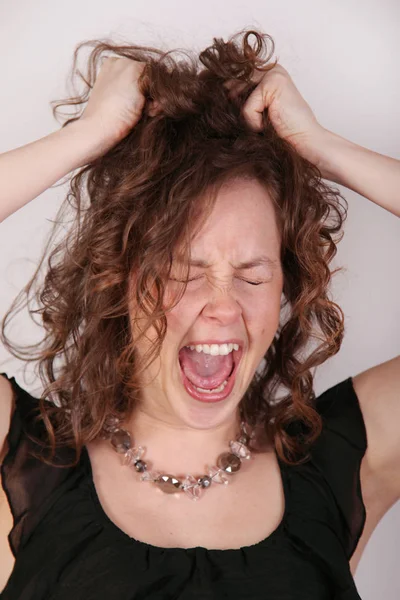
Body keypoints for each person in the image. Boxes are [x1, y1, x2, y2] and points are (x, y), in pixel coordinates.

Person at [0, 28, 399, 600]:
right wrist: (88, 138)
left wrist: (322, 148)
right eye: (182, 273)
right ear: (119, 281)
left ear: (288, 287)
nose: (222, 305)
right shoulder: (25, 468)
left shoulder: (343, 463)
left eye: (253, 275)